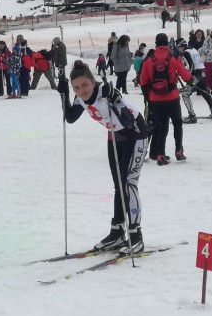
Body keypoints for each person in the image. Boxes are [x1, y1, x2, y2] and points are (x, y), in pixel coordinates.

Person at [59, 60, 151, 253]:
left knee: (129, 183)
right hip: (115, 134)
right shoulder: (80, 98)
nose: (82, 91)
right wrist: (64, 94)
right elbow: (70, 118)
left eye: (85, 85)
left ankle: (136, 235)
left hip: (135, 132)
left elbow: (127, 121)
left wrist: (115, 98)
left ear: (93, 82)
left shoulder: (105, 92)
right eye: (76, 88)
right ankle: (117, 232)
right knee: (119, 185)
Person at [140, 32, 192, 164]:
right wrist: (193, 81)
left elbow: (143, 81)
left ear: (156, 44)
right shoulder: (173, 57)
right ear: (168, 43)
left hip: (156, 99)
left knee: (162, 127)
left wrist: (148, 97)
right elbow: (185, 74)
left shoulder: (149, 59)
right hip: (172, 97)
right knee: (177, 124)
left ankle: (160, 155)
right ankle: (179, 151)